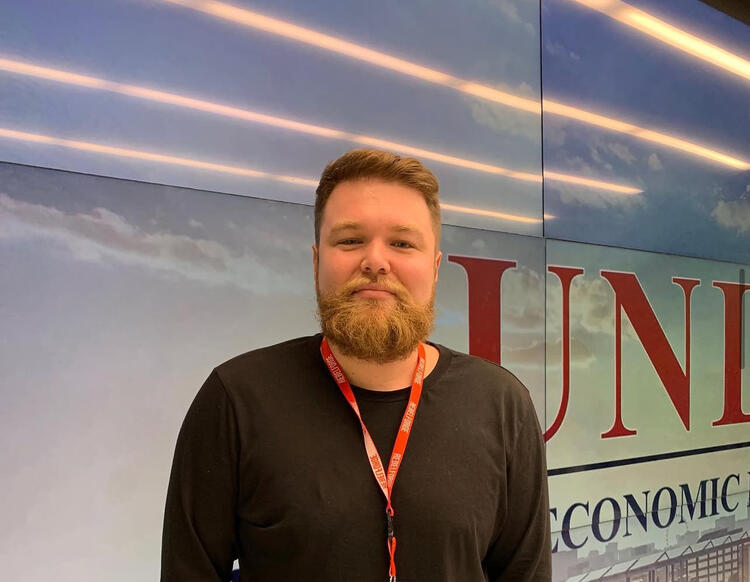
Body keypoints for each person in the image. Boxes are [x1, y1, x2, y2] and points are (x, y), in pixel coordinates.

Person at [161, 148, 551, 581]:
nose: (376, 261)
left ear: (435, 267)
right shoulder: (236, 400)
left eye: (402, 243)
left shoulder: (501, 404)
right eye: (350, 240)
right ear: (316, 262)